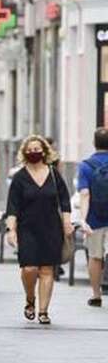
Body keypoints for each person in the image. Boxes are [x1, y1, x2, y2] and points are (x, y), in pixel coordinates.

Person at [6, 136, 72, 324]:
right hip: (27, 229)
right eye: (30, 149)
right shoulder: (19, 177)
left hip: (51, 227)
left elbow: (65, 200)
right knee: (29, 268)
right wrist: (12, 230)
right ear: (25, 153)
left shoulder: (53, 174)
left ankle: (43, 311)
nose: (34, 152)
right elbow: (13, 206)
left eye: (37, 149)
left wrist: (67, 223)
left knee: (46, 269)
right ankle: (30, 299)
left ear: (44, 151)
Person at [78, 127, 108, 308]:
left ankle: (96, 295)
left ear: (94, 143)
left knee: (95, 257)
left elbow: (84, 194)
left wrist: (83, 219)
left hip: (95, 219)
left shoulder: (86, 166)